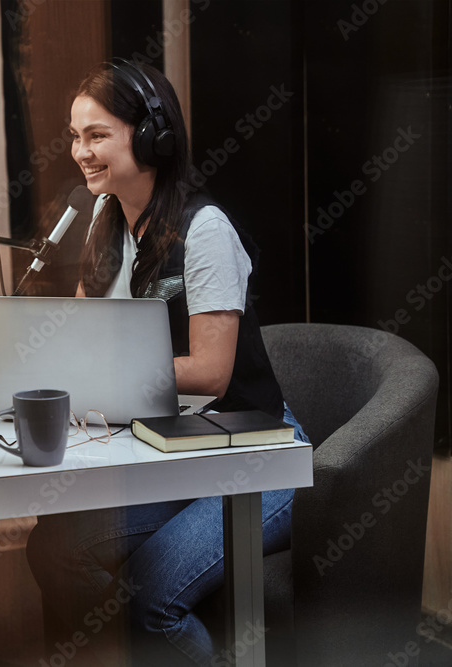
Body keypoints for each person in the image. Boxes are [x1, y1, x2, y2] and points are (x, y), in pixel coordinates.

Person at [25, 59, 309, 666]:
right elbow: (84, 334)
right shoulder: (106, 220)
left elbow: (210, 373)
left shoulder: (204, 230)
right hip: (167, 448)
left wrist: (99, 375)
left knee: (149, 596)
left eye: (97, 135)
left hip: (254, 458)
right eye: (75, 136)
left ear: (152, 135)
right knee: (53, 548)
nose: (80, 151)